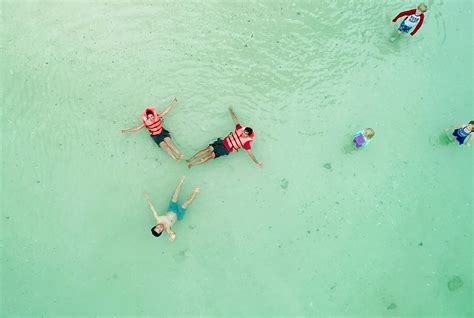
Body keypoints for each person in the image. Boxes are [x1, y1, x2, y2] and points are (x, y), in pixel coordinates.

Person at [186, 107, 263, 169]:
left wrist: (257, 162)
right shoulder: (239, 129)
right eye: (244, 132)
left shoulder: (246, 143)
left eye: (245, 134)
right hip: (221, 142)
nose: (243, 134)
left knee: (209, 156)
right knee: (207, 149)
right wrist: (230, 110)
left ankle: (192, 165)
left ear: (247, 136)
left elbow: (250, 154)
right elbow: (235, 119)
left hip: (225, 149)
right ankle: (190, 159)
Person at [144, 176, 200, 241]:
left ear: (155, 226)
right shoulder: (167, 228)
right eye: (160, 230)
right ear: (161, 232)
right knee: (186, 203)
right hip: (179, 214)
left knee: (175, 196)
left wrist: (147, 198)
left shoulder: (158, 219)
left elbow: (152, 209)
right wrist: (173, 236)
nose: (160, 227)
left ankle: (181, 181)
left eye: (157, 227)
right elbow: (172, 233)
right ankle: (195, 192)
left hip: (171, 209)